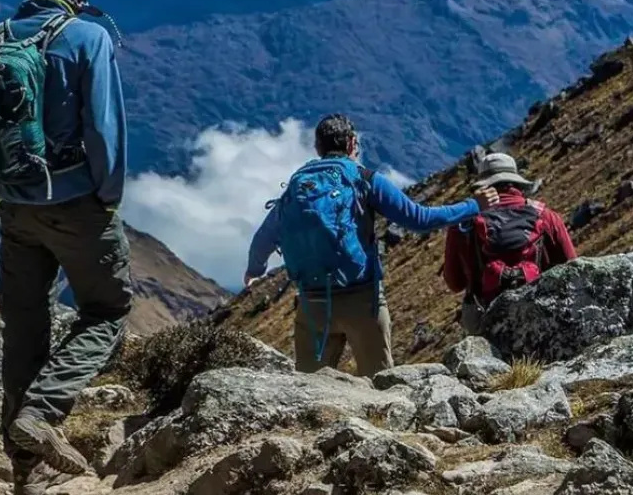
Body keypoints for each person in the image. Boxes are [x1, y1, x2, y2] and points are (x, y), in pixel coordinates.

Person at [0, 0, 128, 486]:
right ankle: (42, 412)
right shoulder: (89, 38)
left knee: (25, 326)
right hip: (77, 201)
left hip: (13, 205)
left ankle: (25, 473)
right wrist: (107, 196)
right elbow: (103, 129)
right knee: (107, 310)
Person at [243, 114, 499, 376]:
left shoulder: (298, 187)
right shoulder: (365, 179)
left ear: (318, 148)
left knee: (306, 389)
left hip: (312, 304)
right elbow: (420, 219)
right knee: (379, 385)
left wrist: (255, 270)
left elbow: (263, 238)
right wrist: (473, 206)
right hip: (363, 301)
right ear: (352, 143)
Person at [442, 152, 577, 335]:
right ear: (515, 181)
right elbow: (572, 268)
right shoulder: (547, 217)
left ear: (483, 186)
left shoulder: (463, 223)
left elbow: (454, 283)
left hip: (486, 322)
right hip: (541, 314)